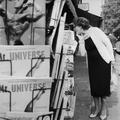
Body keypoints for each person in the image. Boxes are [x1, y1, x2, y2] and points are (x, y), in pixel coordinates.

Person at [74, 17, 115, 120]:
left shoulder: (95, 31)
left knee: (102, 88)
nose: (74, 28)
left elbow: (108, 43)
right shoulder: (83, 36)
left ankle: (103, 110)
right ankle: (96, 109)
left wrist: (112, 59)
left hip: (103, 63)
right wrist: (80, 39)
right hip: (92, 65)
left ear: (81, 26)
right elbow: (82, 53)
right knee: (94, 88)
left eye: (76, 26)